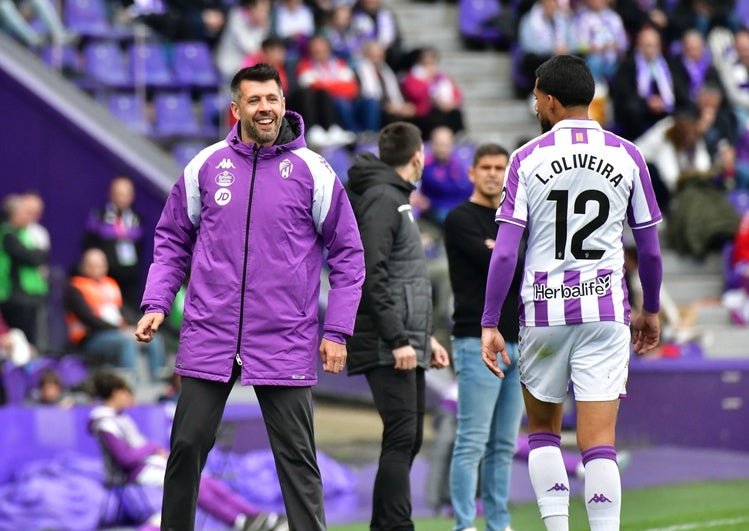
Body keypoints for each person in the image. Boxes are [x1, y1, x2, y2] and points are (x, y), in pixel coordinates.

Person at [134, 63, 365, 531]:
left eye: (273, 99)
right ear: (235, 108)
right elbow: (172, 238)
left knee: (298, 464)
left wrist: (337, 329)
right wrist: (157, 302)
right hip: (210, 332)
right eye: (255, 100)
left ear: (284, 103)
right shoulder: (205, 165)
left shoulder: (314, 171)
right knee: (185, 451)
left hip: (283, 336)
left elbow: (348, 255)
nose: (265, 108)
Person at [480, 55, 663, 531]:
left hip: (543, 315)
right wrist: (652, 309)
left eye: (537, 96)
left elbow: (504, 255)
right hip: (606, 311)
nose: (535, 103)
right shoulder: (628, 155)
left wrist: (488, 322)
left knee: (543, 431)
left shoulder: (526, 158)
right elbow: (651, 251)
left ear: (552, 102)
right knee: (599, 440)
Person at [345, 121, 451, 531]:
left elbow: (403, 277)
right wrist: (398, 339)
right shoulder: (383, 200)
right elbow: (372, 273)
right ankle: (397, 527)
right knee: (402, 435)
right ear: (418, 156)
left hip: (405, 339)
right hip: (387, 341)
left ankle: (385, 526)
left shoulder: (394, 199)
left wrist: (424, 338)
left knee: (407, 437)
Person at [87, 371, 288, 531]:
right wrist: (153, 448)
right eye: (126, 393)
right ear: (116, 393)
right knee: (193, 485)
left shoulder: (119, 418)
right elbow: (125, 459)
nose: (130, 398)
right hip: (136, 473)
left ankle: (258, 517)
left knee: (208, 482)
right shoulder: (105, 422)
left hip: (148, 466)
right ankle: (239, 521)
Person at [444, 143, 524, 531]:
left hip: (518, 342)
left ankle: (499, 523)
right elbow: (500, 262)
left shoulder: (515, 220)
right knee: (473, 441)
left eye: (499, 167)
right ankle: (464, 525)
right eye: (486, 167)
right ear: (472, 173)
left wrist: (507, 252)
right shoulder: (459, 218)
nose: (493, 173)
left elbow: (513, 260)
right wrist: (510, 253)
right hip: (475, 341)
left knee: (503, 446)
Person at [65, 248, 167, 383]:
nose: (97, 269)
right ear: (83, 266)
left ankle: (160, 383)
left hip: (118, 332)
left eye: (100, 265)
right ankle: (129, 385)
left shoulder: (110, 284)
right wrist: (120, 330)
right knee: (126, 342)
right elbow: (89, 319)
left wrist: (135, 326)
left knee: (154, 339)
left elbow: (123, 311)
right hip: (90, 338)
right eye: (92, 265)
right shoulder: (76, 287)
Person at [83, 176, 145, 318]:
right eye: (118, 193)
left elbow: (140, 250)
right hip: (106, 278)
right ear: (111, 194)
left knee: (131, 317)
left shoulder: (137, 219)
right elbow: (89, 245)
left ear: (132, 196)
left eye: (125, 194)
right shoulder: (99, 216)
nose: (122, 198)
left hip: (130, 281)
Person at [0, 194, 49, 349]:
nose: (28, 218)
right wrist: (37, 253)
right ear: (14, 214)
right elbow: (33, 257)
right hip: (12, 296)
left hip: (28, 296)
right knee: (20, 342)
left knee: (29, 342)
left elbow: (40, 256)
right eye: (25, 213)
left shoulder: (22, 233)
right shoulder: (7, 234)